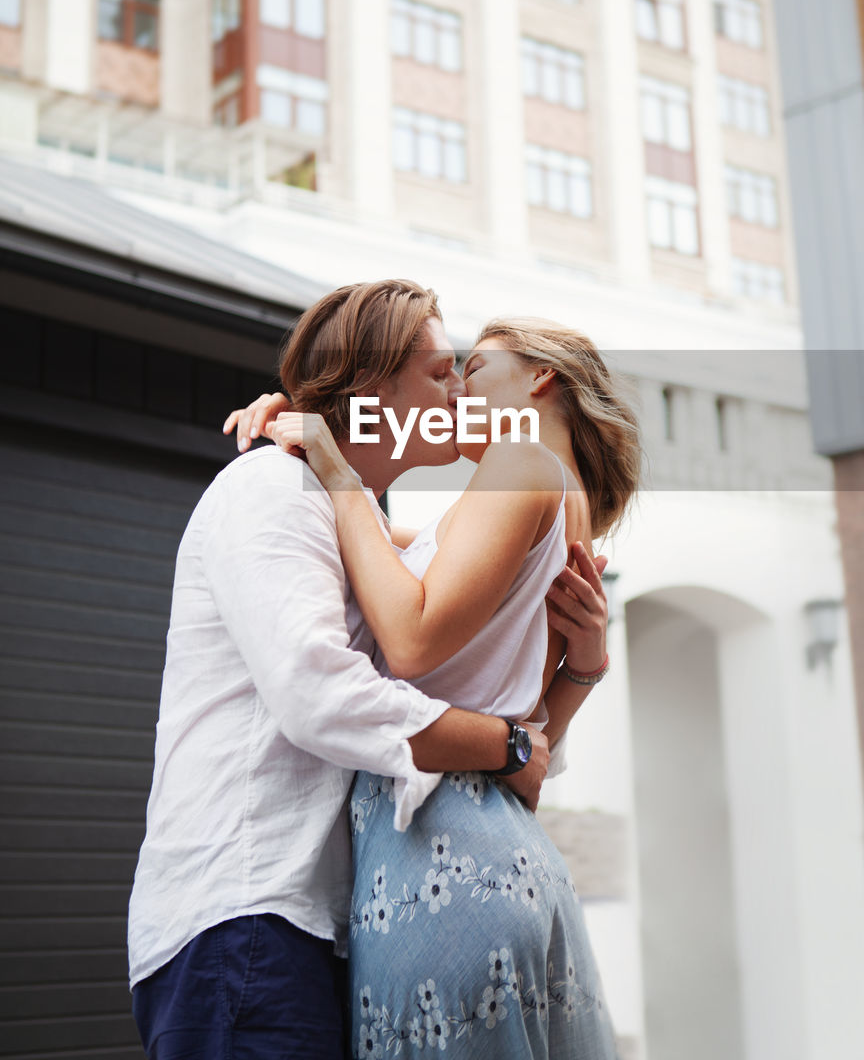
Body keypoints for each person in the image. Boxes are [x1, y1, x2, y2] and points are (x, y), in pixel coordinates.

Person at [127, 280, 609, 1060]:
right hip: (247, 915)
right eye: (440, 370)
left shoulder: (368, 531)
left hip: (337, 918)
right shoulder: (273, 488)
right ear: (373, 385)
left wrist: (576, 675)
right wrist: (504, 744)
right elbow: (318, 693)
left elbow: (463, 648)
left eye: (466, 368)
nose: (458, 390)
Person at [263, 313, 641, 1058]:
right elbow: (529, 753)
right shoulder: (560, 519)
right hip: (508, 849)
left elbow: (409, 637)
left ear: (541, 378)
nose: (457, 389)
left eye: (474, 369)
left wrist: (335, 473)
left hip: (438, 853)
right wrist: (587, 667)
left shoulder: (520, 465)